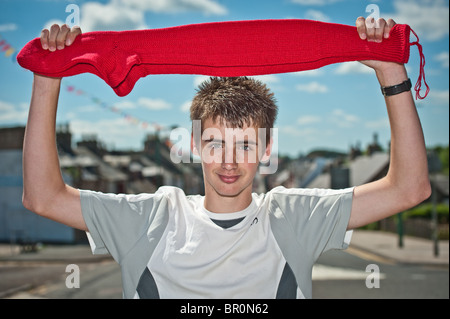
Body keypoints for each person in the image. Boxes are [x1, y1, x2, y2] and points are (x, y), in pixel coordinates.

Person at [22, 17, 431, 299]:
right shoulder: (152, 217)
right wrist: (48, 75)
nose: (229, 162)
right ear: (197, 145)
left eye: (246, 145)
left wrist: (389, 71)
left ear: (267, 149)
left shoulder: (293, 217)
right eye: (216, 143)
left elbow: (409, 188)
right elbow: (42, 197)